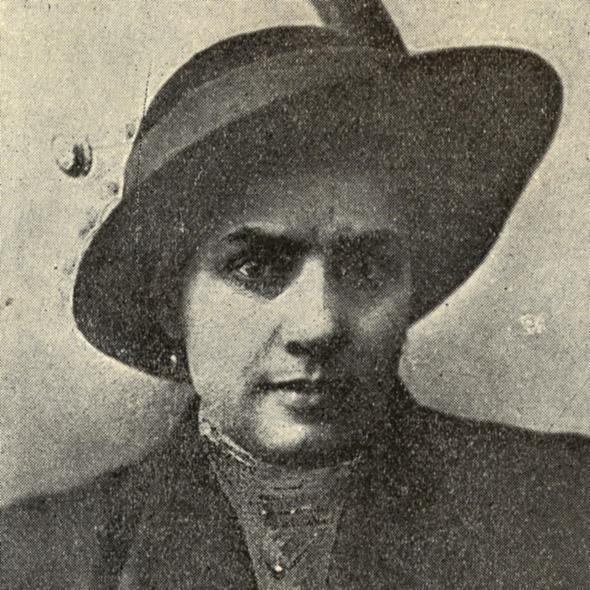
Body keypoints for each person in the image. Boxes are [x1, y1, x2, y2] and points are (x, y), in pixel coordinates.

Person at [2, 22, 589, 590]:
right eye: (256, 267)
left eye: (366, 267)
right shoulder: (39, 562)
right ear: (168, 301)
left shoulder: (565, 510)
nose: (319, 324)